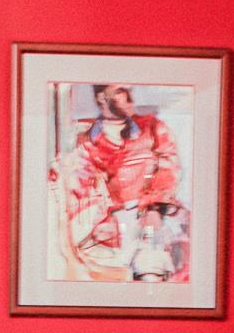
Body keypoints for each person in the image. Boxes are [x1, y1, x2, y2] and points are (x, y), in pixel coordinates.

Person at [51, 84, 190, 282]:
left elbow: (169, 167)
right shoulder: (85, 141)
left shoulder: (153, 128)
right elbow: (80, 183)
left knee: (153, 265)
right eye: (119, 91)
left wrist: (154, 208)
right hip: (111, 224)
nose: (129, 97)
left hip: (155, 214)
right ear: (101, 98)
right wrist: (102, 220)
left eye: (128, 90)